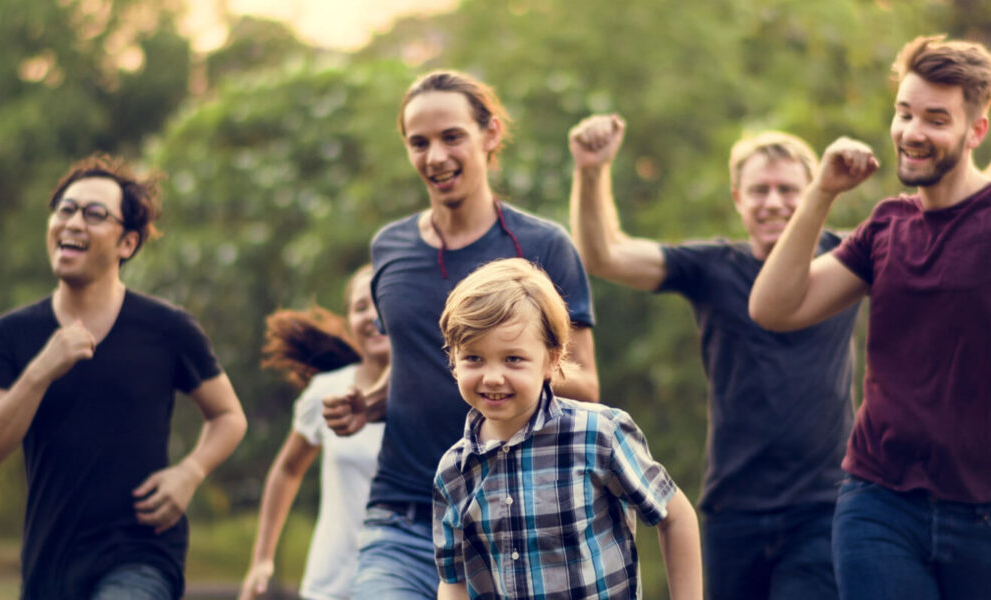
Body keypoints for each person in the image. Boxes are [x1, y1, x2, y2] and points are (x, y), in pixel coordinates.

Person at [749, 34, 991, 599]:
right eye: (905, 113)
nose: (912, 132)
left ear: (975, 132)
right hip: (880, 503)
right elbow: (774, 306)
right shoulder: (887, 227)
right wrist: (821, 191)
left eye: (936, 119)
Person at [322, 70, 600, 598]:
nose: (435, 157)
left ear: (490, 135)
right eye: (418, 143)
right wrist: (370, 404)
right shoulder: (390, 248)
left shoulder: (543, 245)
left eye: (452, 137)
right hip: (402, 514)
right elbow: (419, 365)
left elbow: (585, 384)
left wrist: (499, 373)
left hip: (512, 516)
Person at [567, 120, 854, 599]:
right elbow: (605, 254)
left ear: (815, 197)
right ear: (739, 198)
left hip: (822, 506)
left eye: (788, 190)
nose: (774, 202)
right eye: (759, 190)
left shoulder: (845, 259)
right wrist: (592, 171)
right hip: (733, 508)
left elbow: (936, 226)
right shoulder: (713, 267)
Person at [0, 153, 248, 599]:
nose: (74, 222)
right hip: (49, 565)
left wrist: (190, 473)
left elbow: (230, 416)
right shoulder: (10, 335)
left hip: (142, 557)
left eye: (95, 214)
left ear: (127, 244)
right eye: (66, 209)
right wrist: (41, 371)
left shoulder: (168, 329)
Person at [431, 258, 702, 599]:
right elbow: (454, 579)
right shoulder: (452, 473)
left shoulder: (597, 434)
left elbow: (675, 517)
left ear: (552, 359)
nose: (493, 377)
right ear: (453, 360)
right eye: (473, 358)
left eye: (513, 358)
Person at [238, 265, 390, 600]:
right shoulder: (327, 391)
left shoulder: (434, 393)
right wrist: (261, 560)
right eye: (360, 307)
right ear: (349, 321)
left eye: (382, 302)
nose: (372, 316)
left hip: (406, 580)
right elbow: (288, 469)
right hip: (332, 580)